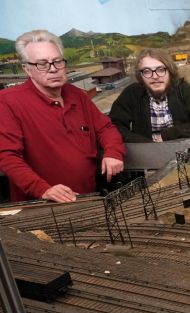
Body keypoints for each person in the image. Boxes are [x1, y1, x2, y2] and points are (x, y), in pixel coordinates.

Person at [0, 30, 124, 203]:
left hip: (87, 198)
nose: (53, 69)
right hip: (42, 205)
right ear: (27, 69)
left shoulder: (77, 95)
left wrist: (113, 152)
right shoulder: (7, 101)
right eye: (42, 64)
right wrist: (43, 189)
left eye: (57, 61)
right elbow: (7, 156)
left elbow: (105, 128)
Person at [110, 48, 190, 143]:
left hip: (181, 152)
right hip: (148, 155)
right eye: (147, 71)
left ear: (170, 71)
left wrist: (167, 135)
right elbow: (114, 127)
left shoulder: (182, 89)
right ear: (140, 76)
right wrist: (145, 143)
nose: (155, 76)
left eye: (160, 70)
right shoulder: (132, 93)